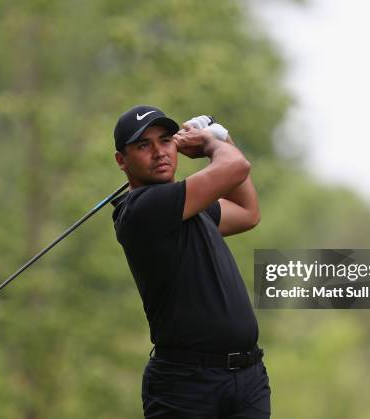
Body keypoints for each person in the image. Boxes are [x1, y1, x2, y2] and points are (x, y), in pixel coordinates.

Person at [111, 105, 270, 418]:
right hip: (187, 387)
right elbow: (236, 167)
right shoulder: (141, 209)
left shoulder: (187, 206)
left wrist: (222, 138)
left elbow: (248, 212)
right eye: (144, 145)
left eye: (166, 140)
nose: (159, 153)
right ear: (121, 160)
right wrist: (212, 141)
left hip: (247, 379)